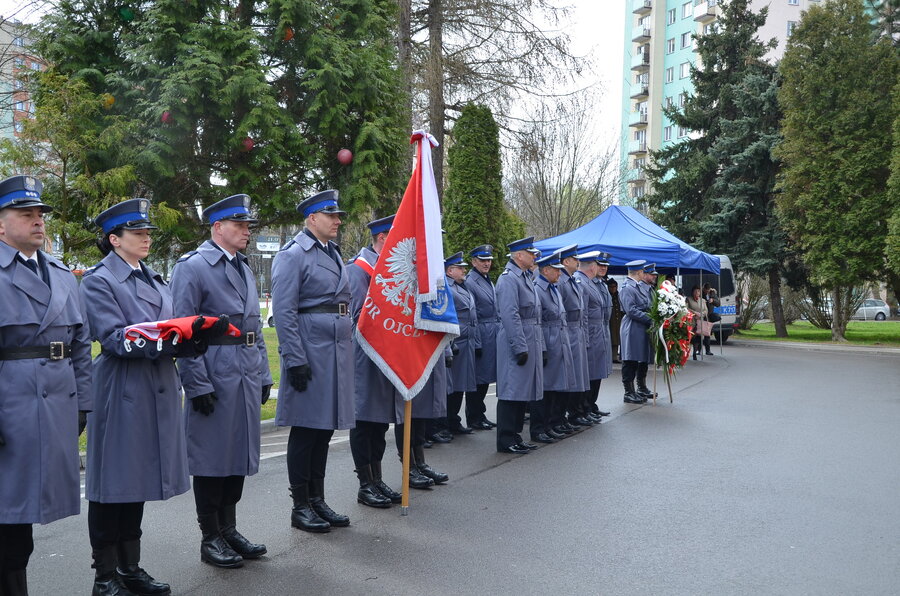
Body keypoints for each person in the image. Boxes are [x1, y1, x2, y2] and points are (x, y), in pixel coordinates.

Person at [81, 198, 227, 596]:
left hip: (156, 385)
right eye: (137, 233)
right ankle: (105, 575)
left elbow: (167, 329)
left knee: (137, 480)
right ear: (114, 239)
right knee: (113, 484)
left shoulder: (153, 278)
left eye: (147, 233)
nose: (146, 238)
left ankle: (131, 567)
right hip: (122, 388)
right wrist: (166, 340)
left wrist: (194, 340)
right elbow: (112, 338)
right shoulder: (99, 280)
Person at [0, 175, 92, 596]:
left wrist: (82, 404)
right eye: (26, 214)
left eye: (40, 215)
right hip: (11, 407)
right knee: (8, 516)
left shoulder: (62, 274)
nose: (38, 222)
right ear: (2, 225)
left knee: (27, 517)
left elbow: (79, 347)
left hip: (55, 403)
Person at [169, 194, 272, 568]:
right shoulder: (193, 267)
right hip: (214, 368)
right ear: (218, 228)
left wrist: (263, 372)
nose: (247, 231)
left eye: (248, 226)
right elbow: (181, 329)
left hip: (244, 368)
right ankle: (210, 535)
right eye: (240, 225)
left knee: (237, 455)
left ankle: (229, 529)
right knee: (212, 457)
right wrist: (196, 384)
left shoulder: (244, 266)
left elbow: (254, 327)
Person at [271, 190, 355, 534]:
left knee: (324, 430)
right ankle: (300, 504)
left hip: (334, 350)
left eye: (337, 215)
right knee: (306, 429)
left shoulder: (332, 252)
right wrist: (294, 359)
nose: (337, 221)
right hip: (310, 349)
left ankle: (317, 499)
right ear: (312, 219)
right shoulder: (293, 256)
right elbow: (285, 312)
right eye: (331, 215)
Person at [347, 215, 402, 508]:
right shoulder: (360, 271)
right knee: (364, 422)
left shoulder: (387, 269)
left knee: (380, 423)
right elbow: (358, 318)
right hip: (365, 357)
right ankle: (365, 484)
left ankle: (377, 479)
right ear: (382, 239)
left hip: (385, 356)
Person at [495, 237, 544, 454]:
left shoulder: (525, 276)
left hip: (528, 337)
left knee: (521, 391)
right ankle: (506, 439)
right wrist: (519, 346)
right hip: (516, 339)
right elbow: (510, 315)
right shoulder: (508, 279)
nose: (534, 256)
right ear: (519, 256)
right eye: (530, 253)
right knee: (511, 390)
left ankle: (515, 436)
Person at [532, 252, 574, 443]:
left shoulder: (553, 288)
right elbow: (538, 321)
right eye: (556, 270)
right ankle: (539, 428)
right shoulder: (538, 289)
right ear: (546, 270)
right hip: (548, 340)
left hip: (558, 338)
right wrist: (542, 347)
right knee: (545, 388)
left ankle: (550, 424)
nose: (559, 273)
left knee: (555, 386)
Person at [443, 251, 480, 435]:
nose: (464, 270)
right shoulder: (448, 287)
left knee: (460, 386)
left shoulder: (463, 286)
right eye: (460, 268)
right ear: (450, 271)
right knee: (451, 386)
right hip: (456, 342)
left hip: (468, 341)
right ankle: (444, 423)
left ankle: (453, 420)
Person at [575, 251, 613, 421]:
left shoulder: (601, 284)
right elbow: (583, 313)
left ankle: (591, 405)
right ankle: (583, 407)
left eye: (605, 266)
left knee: (597, 371)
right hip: (591, 331)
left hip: (601, 330)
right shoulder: (583, 282)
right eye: (600, 265)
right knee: (589, 373)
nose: (602, 268)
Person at [555, 244, 589, 434]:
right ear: (566, 261)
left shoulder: (571, 280)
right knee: (566, 378)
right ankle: (563, 416)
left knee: (575, 376)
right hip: (566, 332)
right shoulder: (562, 282)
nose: (578, 262)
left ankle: (569, 415)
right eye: (575, 259)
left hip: (576, 332)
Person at [464, 245, 498, 430]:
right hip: (481, 332)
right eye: (483, 260)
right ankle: (474, 416)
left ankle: (480, 414)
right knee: (478, 378)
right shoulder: (471, 281)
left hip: (491, 332)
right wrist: (477, 341)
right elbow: (472, 314)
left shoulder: (485, 279)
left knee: (485, 378)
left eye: (489, 260)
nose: (487, 263)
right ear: (474, 261)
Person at [619, 259, 652, 405]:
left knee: (638, 358)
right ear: (638, 272)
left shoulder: (637, 287)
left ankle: (637, 389)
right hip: (632, 326)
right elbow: (630, 310)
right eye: (642, 271)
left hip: (640, 326)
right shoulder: (627, 287)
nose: (643, 273)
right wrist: (649, 319)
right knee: (630, 359)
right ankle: (629, 392)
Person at [686, 285, 711, 359]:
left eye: (699, 291)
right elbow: (686, 308)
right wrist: (695, 313)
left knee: (699, 337)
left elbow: (706, 310)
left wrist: (701, 314)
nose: (697, 292)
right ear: (693, 292)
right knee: (692, 337)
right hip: (692, 321)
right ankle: (690, 352)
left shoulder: (703, 300)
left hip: (700, 321)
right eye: (696, 291)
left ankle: (696, 351)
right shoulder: (688, 299)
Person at [607, 278, 624, 363]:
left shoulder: (618, 296)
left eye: (615, 286)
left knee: (616, 340)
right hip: (610, 321)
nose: (613, 288)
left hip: (617, 321)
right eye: (611, 287)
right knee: (610, 339)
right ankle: (609, 357)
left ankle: (614, 357)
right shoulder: (607, 295)